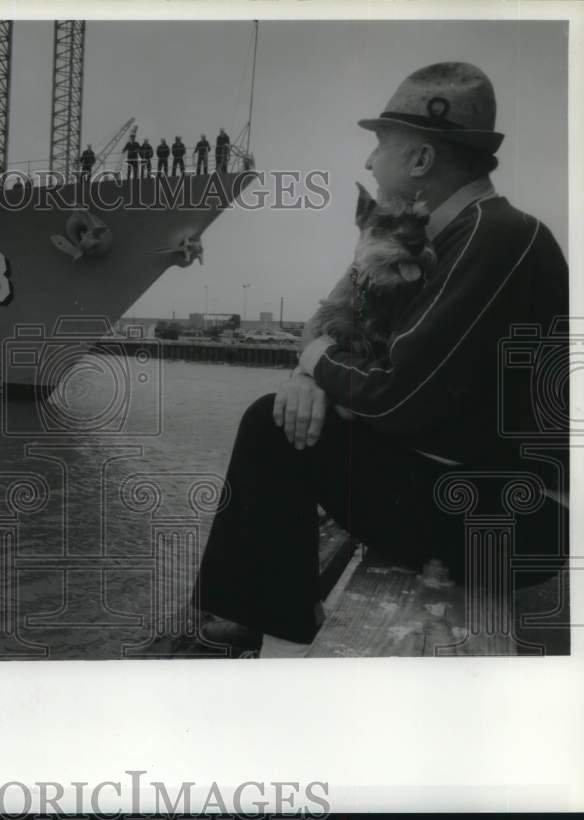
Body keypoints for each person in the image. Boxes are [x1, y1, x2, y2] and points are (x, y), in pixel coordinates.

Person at [191, 62, 568, 658]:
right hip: (478, 498)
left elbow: (396, 398)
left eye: (378, 147)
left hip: (504, 519)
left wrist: (314, 361)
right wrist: (307, 374)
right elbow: (330, 314)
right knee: (283, 414)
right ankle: (264, 615)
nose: (369, 163)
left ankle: (269, 631)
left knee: (269, 428)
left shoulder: (493, 237)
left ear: (418, 162)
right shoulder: (437, 237)